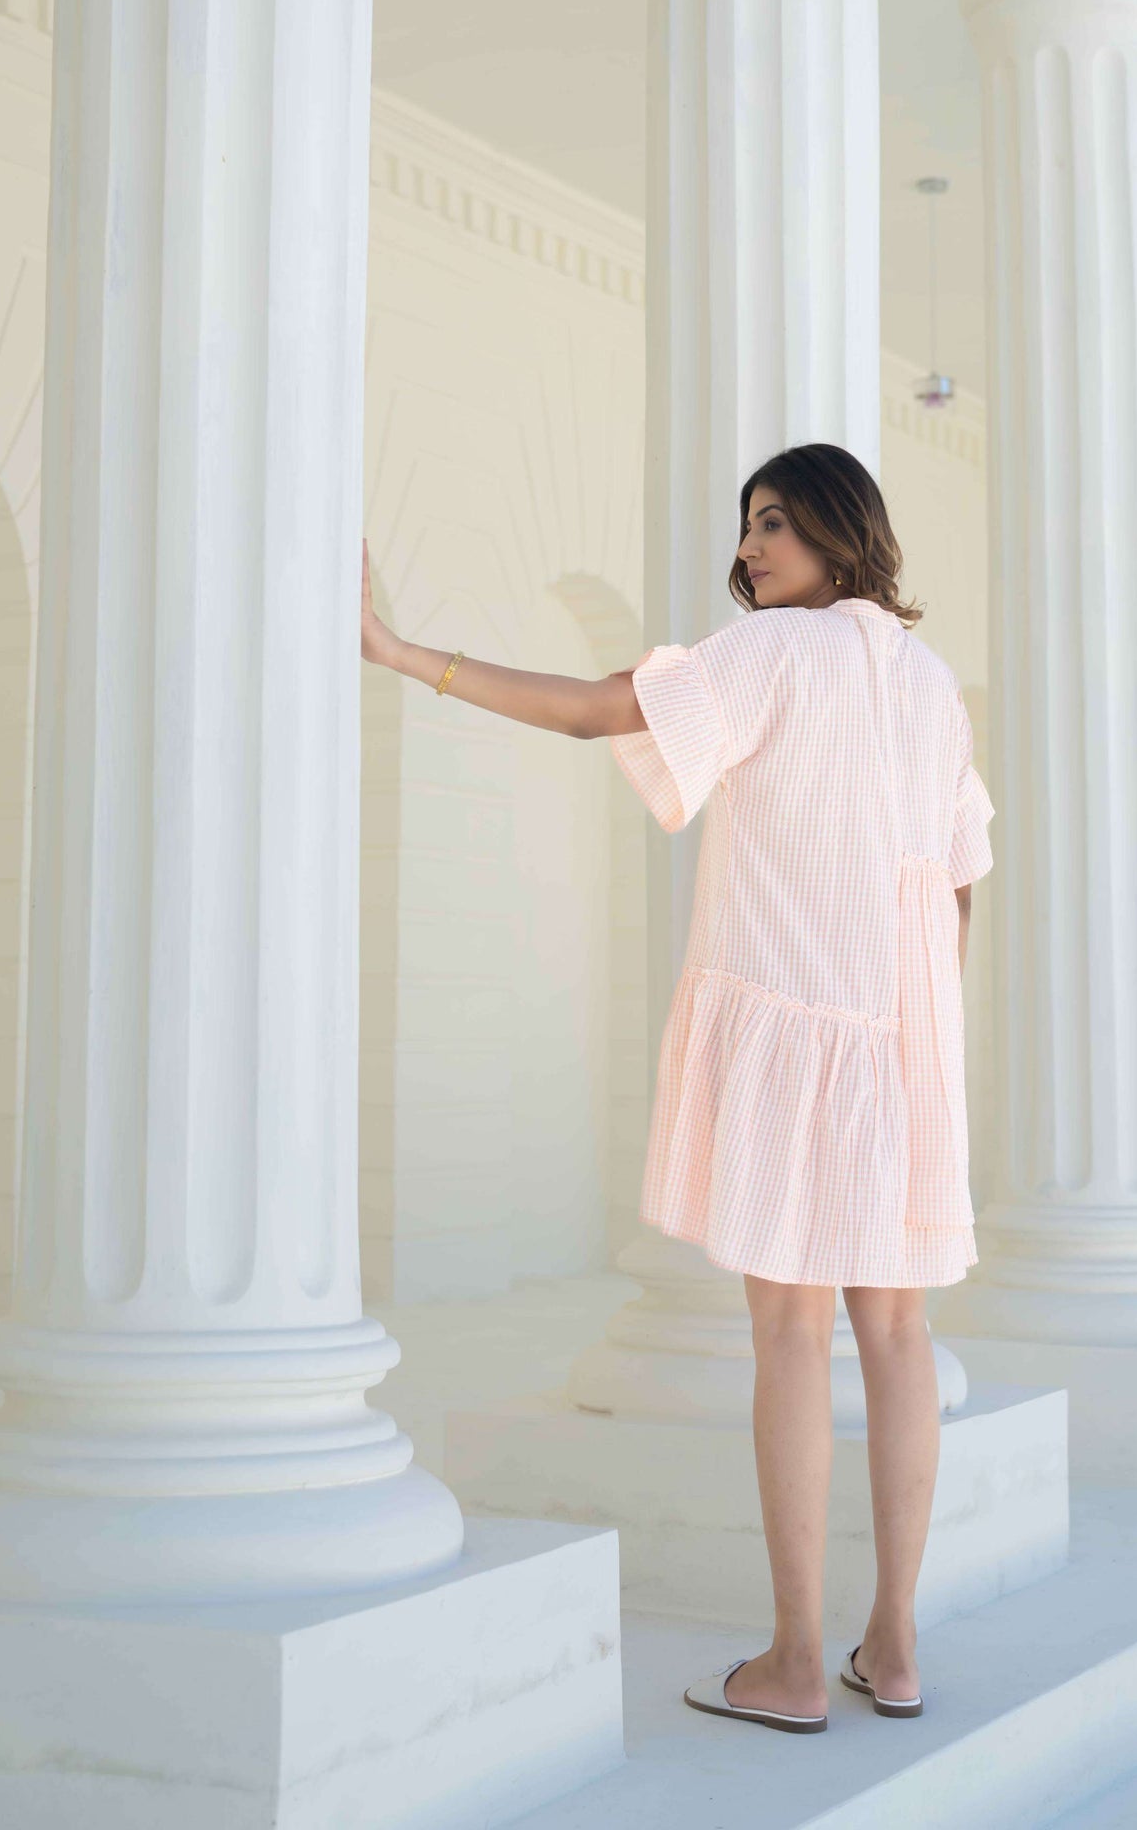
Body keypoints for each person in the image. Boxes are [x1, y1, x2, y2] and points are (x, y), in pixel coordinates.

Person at [360, 440, 994, 1736]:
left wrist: (400, 652)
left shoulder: (772, 650)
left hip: (799, 1026)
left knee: (785, 1339)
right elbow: (962, 875)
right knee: (897, 1339)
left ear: (834, 530)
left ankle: (797, 1664)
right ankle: (898, 1649)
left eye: (774, 523)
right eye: (747, 526)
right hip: (903, 1050)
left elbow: (603, 707)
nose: (752, 547)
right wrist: (913, 1019)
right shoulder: (928, 682)